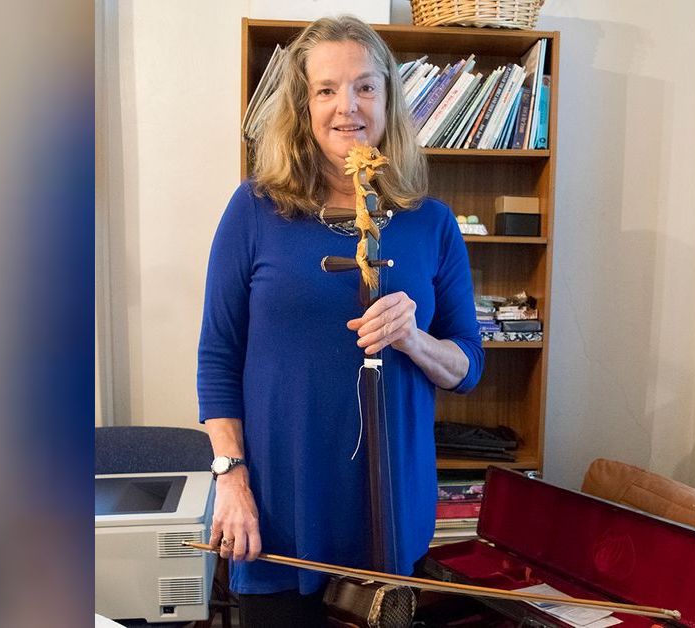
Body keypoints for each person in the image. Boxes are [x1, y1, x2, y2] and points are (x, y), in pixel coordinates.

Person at [196, 15, 484, 627]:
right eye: (326, 89)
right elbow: (218, 357)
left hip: (387, 507)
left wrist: (415, 340)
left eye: (364, 87)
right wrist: (231, 479)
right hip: (279, 507)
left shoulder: (430, 221)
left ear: (388, 98)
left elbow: (467, 366)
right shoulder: (255, 209)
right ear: (303, 106)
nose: (346, 106)